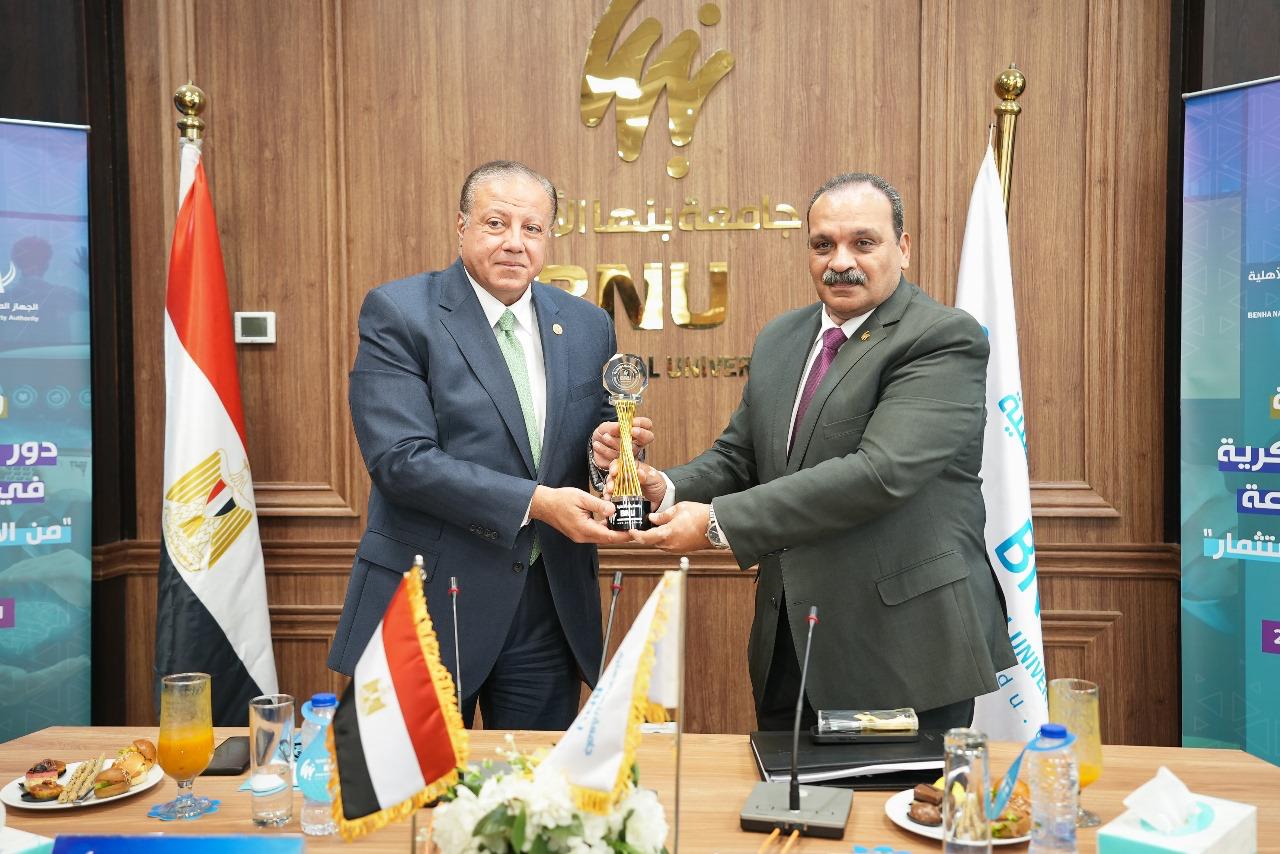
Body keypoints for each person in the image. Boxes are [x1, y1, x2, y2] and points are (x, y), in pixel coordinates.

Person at [602, 172, 1016, 731]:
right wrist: (666, 488)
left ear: (903, 248)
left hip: (904, 648)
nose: (840, 261)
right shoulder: (782, 338)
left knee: (897, 792)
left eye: (863, 243)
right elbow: (741, 457)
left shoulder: (942, 338)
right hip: (790, 644)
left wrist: (718, 523)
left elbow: (879, 473)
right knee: (784, 790)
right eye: (823, 245)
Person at [329, 160, 651, 730]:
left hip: (547, 607)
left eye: (532, 228)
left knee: (532, 783)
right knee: (412, 785)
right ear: (462, 227)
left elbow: (597, 443)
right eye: (496, 223)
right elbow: (400, 460)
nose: (515, 243)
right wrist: (535, 502)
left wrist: (611, 459)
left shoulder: (586, 325)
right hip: (430, 601)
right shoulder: (401, 312)